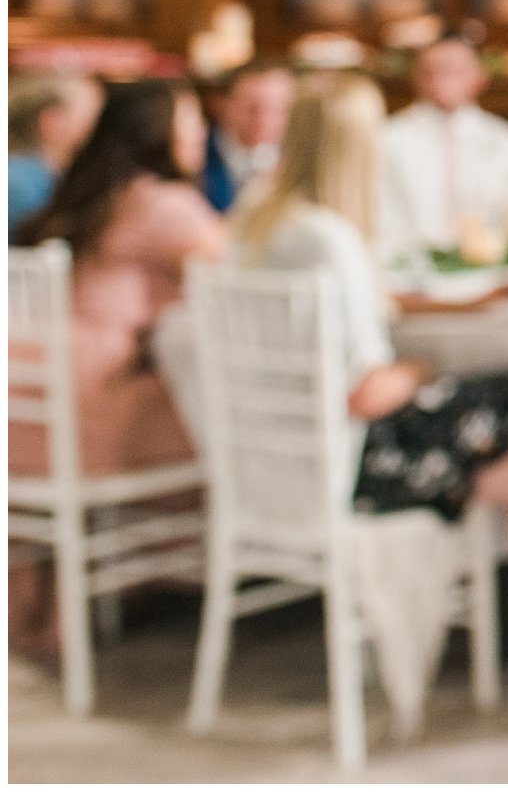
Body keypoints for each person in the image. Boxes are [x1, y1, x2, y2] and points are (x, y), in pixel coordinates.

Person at [230, 72, 508, 613]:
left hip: (276, 457)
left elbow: (372, 307)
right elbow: (364, 394)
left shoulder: (256, 220)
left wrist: (461, 307)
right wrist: (418, 367)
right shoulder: (331, 242)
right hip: (355, 458)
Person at [10, 79, 222, 657]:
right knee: (234, 424)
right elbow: (241, 274)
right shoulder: (161, 203)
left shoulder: (92, 194)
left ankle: (117, 587)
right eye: (192, 120)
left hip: (31, 396)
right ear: (160, 133)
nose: (204, 133)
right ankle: (218, 573)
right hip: (92, 409)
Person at [380, 32, 508, 267]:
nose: (442, 79)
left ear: (479, 77)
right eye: (431, 71)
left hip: (492, 274)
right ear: (416, 78)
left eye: (455, 70)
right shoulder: (387, 140)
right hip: (410, 272)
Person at [7, 73, 102, 238]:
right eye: (92, 117)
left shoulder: (42, 175)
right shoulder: (19, 184)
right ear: (52, 121)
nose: (99, 128)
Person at [199, 57, 295, 213]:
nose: (264, 120)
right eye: (251, 107)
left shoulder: (298, 157)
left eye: (279, 109)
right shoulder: (196, 156)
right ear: (222, 104)